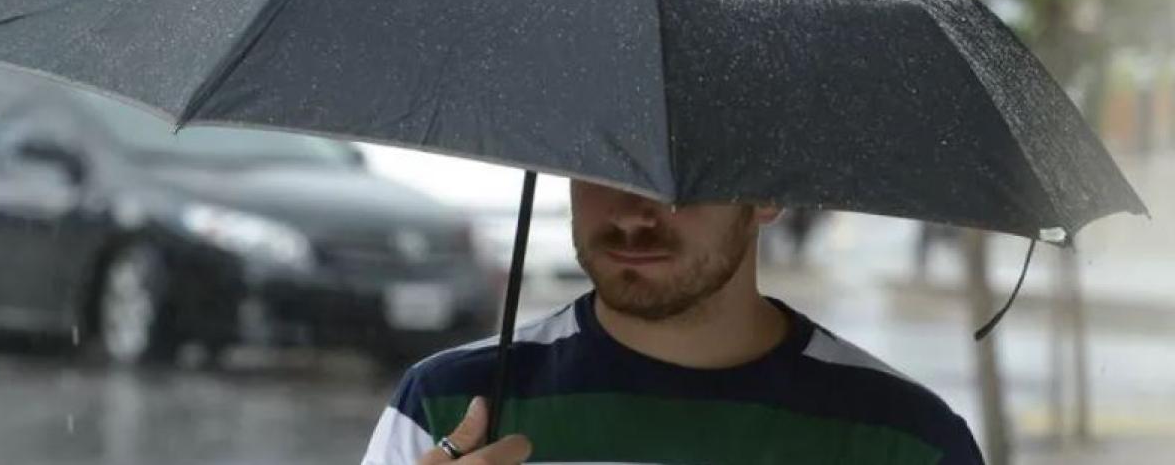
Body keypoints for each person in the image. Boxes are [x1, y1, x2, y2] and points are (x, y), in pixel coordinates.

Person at [362, 180, 983, 464]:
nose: (634, 214)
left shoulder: (906, 441)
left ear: (767, 194)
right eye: (604, 164)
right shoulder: (447, 407)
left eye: (681, 175)